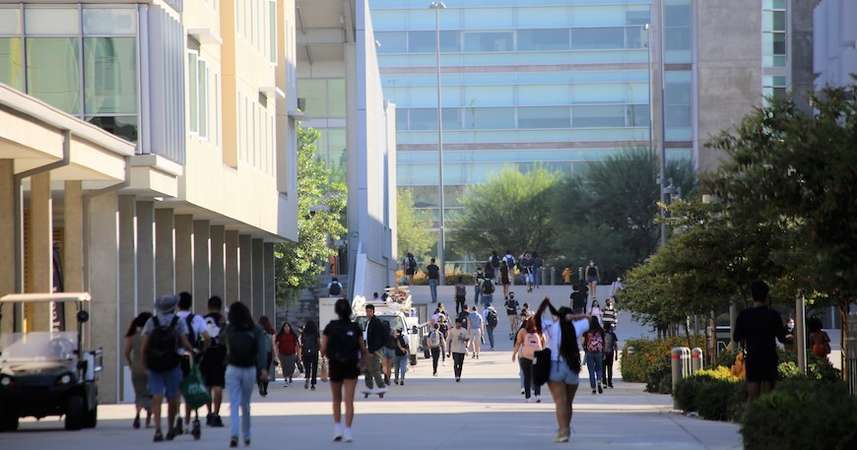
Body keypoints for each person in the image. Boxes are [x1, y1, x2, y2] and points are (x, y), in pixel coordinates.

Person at [535, 297, 590, 443]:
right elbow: (591, 318)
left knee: (560, 402)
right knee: (568, 403)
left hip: (555, 366)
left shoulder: (551, 326)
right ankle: (566, 428)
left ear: (558, 316)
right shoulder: (576, 326)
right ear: (570, 316)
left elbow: (536, 318)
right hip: (572, 367)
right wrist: (576, 317)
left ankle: (563, 431)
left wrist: (544, 304)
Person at [141, 294, 194, 442]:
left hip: (155, 365)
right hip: (172, 364)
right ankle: (170, 428)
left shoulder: (151, 322)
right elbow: (184, 342)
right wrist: (193, 350)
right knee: (172, 398)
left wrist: (144, 363)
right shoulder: (179, 322)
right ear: (173, 307)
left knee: (157, 397)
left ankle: (158, 430)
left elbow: (144, 347)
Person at [223, 302, 270, 448]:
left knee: (234, 403)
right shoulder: (256, 329)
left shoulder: (229, 328)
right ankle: (247, 435)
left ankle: (234, 434)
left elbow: (222, 342)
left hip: (233, 368)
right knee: (245, 404)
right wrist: (263, 368)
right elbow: (262, 351)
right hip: (249, 369)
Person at [322, 298, 368, 442]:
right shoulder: (355, 327)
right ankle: (348, 431)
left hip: (335, 365)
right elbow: (363, 349)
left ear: (336, 311)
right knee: (349, 400)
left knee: (336, 399)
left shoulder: (330, 327)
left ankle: (337, 429)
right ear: (349, 310)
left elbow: (323, 349)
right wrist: (363, 364)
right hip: (351, 366)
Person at [733, 280, 787, 401]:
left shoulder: (744, 315)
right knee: (768, 397)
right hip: (769, 358)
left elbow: (736, 337)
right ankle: (766, 416)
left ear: (752, 296)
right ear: (767, 296)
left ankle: (751, 416)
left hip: (753, 357)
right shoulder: (773, 315)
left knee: (752, 395)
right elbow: (782, 337)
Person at [175, 292, 210, 436]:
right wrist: (201, 351)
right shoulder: (197, 319)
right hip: (190, 358)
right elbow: (207, 338)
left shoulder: (174, 319)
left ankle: (177, 417)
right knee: (191, 387)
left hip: (175, 358)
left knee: (176, 390)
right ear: (190, 304)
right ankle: (190, 421)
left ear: (177, 304)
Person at [201, 296, 227, 428]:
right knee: (218, 386)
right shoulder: (223, 321)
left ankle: (209, 412)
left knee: (207, 386)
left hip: (205, 356)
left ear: (208, 306)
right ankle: (216, 415)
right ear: (220, 306)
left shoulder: (202, 320)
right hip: (220, 356)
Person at [124, 311, 153, 429]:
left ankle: (137, 415)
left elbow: (126, 353)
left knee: (139, 394)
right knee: (151, 393)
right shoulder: (151, 335)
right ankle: (148, 419)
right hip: (150, 368)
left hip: (136, 368)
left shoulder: (132, 336)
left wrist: (131, 364)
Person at [512, 316, 544, 403]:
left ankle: (528, 397)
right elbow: (543, 342)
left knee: (527, 376)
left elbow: (518, 343)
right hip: (536, 356)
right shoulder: (538, 330)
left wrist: (514, 354)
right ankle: (537, 395)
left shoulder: (522, 331)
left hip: (524, 356)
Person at [362, 304, 388, 395]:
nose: (368, 313)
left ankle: (381, 387)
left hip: (374, 350)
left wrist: (372, 350)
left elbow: (377, 338)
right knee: (367, 369)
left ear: (373, 312)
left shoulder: (376, 323)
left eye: (370, 311)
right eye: (367, 311)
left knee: (375, 369)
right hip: (369, 349)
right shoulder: (368, 322)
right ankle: (369, 388)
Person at [583, 317, 605, 394]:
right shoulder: (601, 330)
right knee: (599, 368)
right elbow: (603, 342)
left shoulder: (587, 331)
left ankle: (593, 388)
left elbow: (584, 342)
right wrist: (603, 352)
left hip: (589, 352)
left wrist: (585, 349)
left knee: (591, 371)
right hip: (599, 352)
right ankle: (599, 381)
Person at [275, 322, 299, 387]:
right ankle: (285, 377)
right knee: (284, 366)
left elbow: (297, 344)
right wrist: (276, 353)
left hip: (292, 353)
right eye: (285, 326)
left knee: (292, 366)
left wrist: (298, 353)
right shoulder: (280, 335)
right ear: (283, 328)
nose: (286, 328)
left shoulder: (293, 335)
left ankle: (290, 377)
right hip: (282, 353)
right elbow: (277, 344)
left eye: (287, 326)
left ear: (290, 327)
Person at [257, 316, 276, 396]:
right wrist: (275, 356)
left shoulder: (257, 331)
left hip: (258, 353)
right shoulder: (271, 331)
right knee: (266, 370)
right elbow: (273, 345)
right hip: (268, 354)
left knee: (259, 371)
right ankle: (265, 389)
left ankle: (260, 386)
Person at [301, 320, 321, 390]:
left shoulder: (304, 332)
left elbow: (302, 343)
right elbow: (318, 342)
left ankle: (307, 378)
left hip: (306, 352)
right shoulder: (316, 332)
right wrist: (321, 350)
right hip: (314, 352)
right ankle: (313, 384)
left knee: (308, 367)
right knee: (314, 367)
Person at [602, 324, 618, 389]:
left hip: (603, 353)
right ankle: (610, 383)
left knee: (603, 369)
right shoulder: (613, 334)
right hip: (611, 353)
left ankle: (604, 383)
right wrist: (616, 354)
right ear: (609, 328)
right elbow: (615, 345)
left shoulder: (602, 334)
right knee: (610, 368)